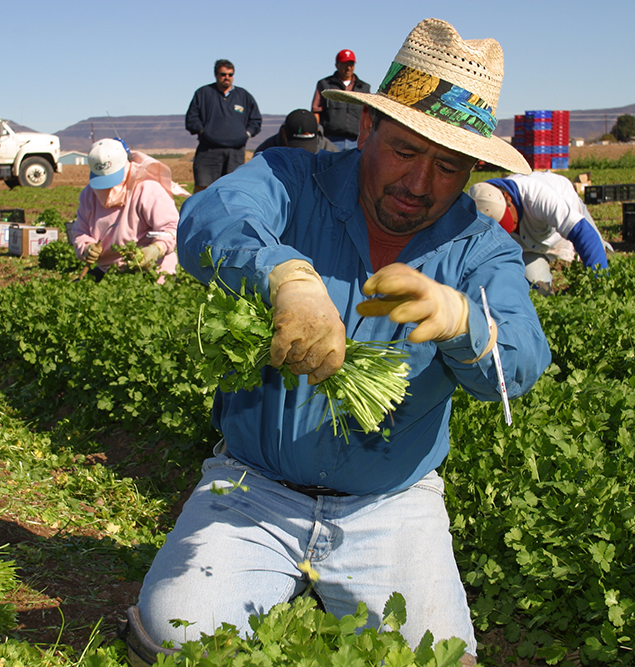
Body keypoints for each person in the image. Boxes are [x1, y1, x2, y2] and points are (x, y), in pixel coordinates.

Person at [125, 19, 551, 667]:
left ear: (472, 170)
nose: (420, 184)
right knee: (176, 637)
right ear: (370, 128)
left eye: (449, 166)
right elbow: (206, 219)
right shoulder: (292, 179)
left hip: (392, 502)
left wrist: (464, 319)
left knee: (437, 659)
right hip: (253, 488)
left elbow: (520, 359)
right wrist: (284, 275)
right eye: (406, 151)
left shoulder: (479, 246)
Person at [468, 172, 610, 296]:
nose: (509, 230)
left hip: (564, 221)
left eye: (507, 222)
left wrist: (598, 286)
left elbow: (583, 233)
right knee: (537, 291)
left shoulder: (537, 196)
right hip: (528, 247)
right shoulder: (473, 219)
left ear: (508, 197)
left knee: (598, 254)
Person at [71, 138, 179, 281]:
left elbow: (172, 228)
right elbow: (80, 232)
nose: (108, 188)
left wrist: (156, 249)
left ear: (126, 166)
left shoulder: (147, 188)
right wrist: (86, 248)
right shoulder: (89, 194)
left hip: (153, 270)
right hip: (109, 271)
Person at [185, 59, 262, 193]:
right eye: (223, 74)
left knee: (234, 188)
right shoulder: (203, 93)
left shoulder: (243, 96)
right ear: (216, 75)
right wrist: (203, 132)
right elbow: (192, 119)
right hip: (208, 151)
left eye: (230, 75)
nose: (227, 78)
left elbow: (255, 120)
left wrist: (246, 134)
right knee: (204, 188)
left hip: (235, 152)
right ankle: (198, 213)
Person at [311, 49, 370, 150]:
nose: (348, 68)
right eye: (345, 64)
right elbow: (316, 111)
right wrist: (317, 133)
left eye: (351, 64)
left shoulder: (363, 88)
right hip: (331, 140)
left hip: (356, 140)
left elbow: (369, 114)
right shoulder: (325, 84)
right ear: (337, 65)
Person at [253, 108, 339, 155]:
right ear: (284, 133)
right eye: (295, 147)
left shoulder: (330, 152)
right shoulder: (265, 152)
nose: (300, 154)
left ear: (317, 132)